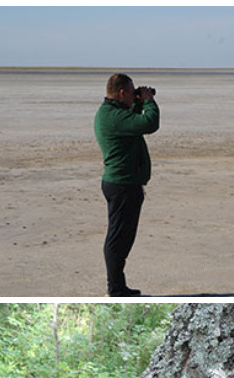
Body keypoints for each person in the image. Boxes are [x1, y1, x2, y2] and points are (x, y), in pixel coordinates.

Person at [94, 73, 160, 296]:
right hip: (122, 185)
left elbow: (131, 122)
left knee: (122, 238)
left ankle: (118, 286)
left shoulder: (112, 113)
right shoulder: (113, 116)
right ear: (122, 93)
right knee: (118, 239)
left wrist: (139, 102)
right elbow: (149, 124)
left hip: (121, 183)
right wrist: (149, 101)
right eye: (132, 92)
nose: (135, 95)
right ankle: (116, 289)